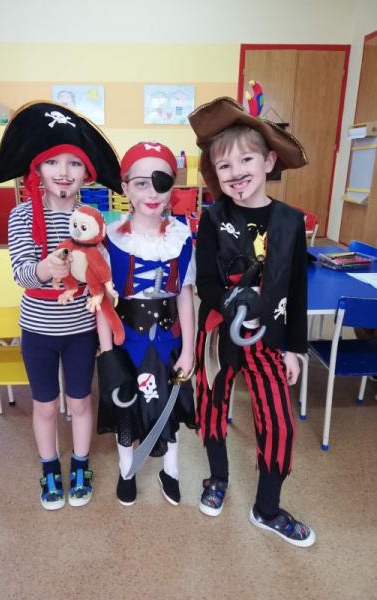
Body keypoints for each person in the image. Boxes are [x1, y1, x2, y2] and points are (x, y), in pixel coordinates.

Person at [188, 97, 316, 547]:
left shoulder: (290, 222)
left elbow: (297, 289)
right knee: (211, 409)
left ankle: (267, 508)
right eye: (224, 166)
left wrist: (295, 348)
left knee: (279, 423)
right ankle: (218, 477)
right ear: (215, 173)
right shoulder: (211, 217)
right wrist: (232, 300)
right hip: (218, 335)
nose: (236, 172)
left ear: (268, 162)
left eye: (246, 160)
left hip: (270, 338)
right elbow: (205, 281)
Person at [0, 101, 122, 510]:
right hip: (38, 330)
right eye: (53, 162)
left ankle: (80, 464)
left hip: (80, 330)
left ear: (86, 173)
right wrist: (45, 269)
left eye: (74, 163)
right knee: (44, 406)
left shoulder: (92, 218)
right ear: (38, 170)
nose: (63, 171)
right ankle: (49, 467)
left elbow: (100, 271)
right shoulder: (20, 216)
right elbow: (21, 274)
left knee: (80, 401)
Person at [96, 142, 196, 506]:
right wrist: (107, 353)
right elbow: (102, 300)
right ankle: (127, 471)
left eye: (161, 182)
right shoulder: (109, 237)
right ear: (124, 187)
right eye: (140, 183)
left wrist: (189, 350)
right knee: (126, 406)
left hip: (169, 339)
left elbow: (185, 295)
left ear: (172, 187)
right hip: (126, 339)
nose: (152, 193)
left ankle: (172, 470)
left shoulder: (182, 236)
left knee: (169, 403)